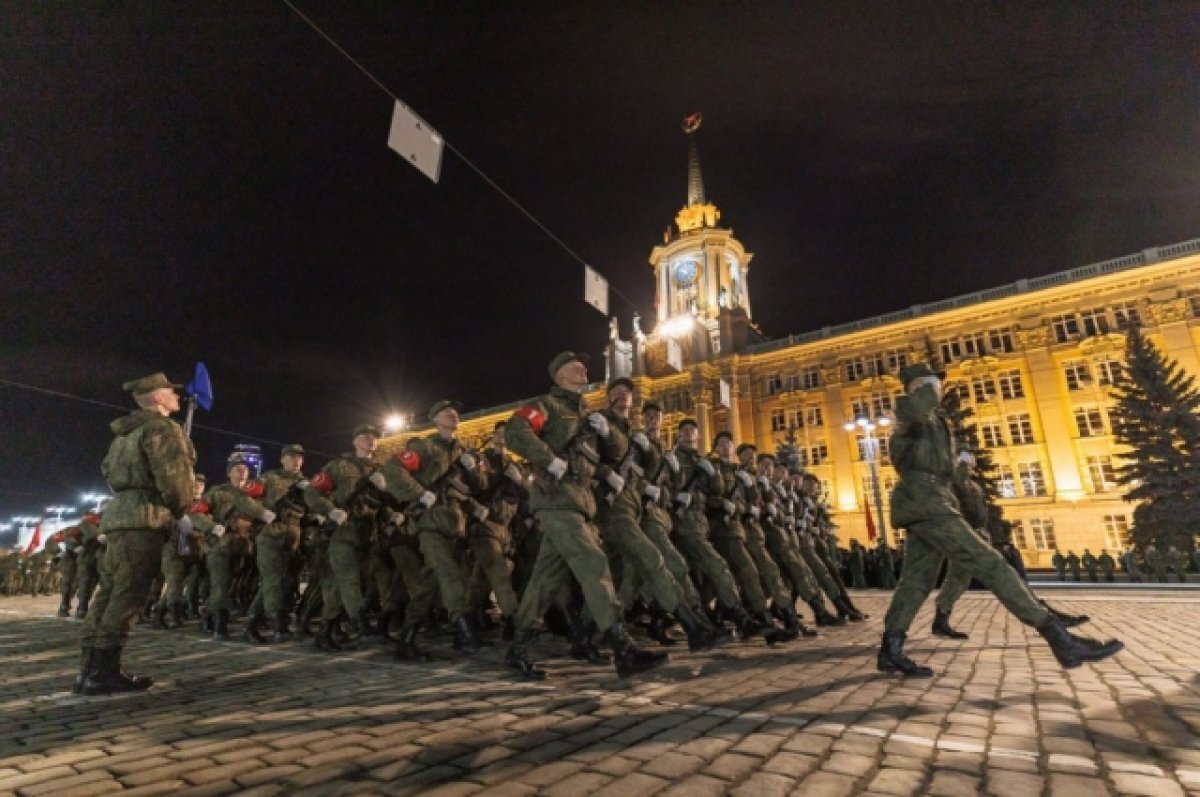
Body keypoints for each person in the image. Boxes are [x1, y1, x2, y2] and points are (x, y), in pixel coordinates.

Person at [877, 362, 1121, 677]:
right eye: (935, 384)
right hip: (925, 501)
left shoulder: (936, 422)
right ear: (921, 388)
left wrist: (962, 464)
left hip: (932, 499)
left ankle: (890, 650)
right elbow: (912, 412)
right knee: (989, 562)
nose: (940, 388)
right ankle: (1059, 638)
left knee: (916, 581)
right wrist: (923, 390)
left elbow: (950, 471)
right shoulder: (912, 413)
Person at [503, 351, 667, 680]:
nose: (583, 369)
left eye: (583, 365)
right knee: (594, 562)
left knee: (545, 581)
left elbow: (611, 457)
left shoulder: (586, 415)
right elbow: (516, 432)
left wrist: (606, 433)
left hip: (581, 503)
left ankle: (517, 647)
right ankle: (622, 647)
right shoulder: (546, 407)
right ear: (559, 374)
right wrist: (548, 459)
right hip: (556, 501)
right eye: (575, 365)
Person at [75, 373, 196, 695]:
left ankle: (89, 668)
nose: (177, 397)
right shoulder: (163, 428)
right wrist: (181, 510)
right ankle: (103, 672)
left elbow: (107, 472)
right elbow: (174, 479)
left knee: (109, 592)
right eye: (171, 392)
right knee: (129, 595)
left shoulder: (124, 435)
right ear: (157, 398)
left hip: (118, 516)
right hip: (145, 518)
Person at [203, 455, 275, 639]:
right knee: (221, 585)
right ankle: (220, 625)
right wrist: (211, 527)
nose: (242, 471)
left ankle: (209, 612)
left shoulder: (256, 495)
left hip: (245, 546)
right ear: (229, 473)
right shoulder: (217, 493)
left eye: (245, 469)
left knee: (236, 586)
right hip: (222, 545)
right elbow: (196, 512)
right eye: (237, 468)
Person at [244, 445, 307, 643]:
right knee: (273, 579)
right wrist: (261, 513)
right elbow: (245, 497)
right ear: (282, 459)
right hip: (272, 532)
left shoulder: (306, 482)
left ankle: (253, 620)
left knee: (285, 580)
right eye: (291, 457)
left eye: (299, 457)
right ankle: (279, 623)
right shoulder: (270, 478)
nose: (296, 460)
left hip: (294, 533)